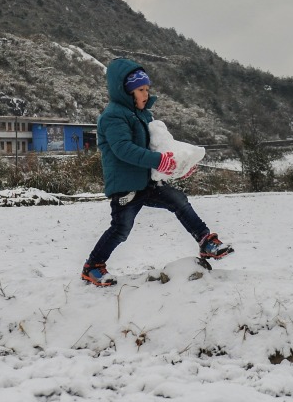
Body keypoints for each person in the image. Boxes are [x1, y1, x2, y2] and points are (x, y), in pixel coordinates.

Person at [81, 57, 234, 287]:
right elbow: (124, 150)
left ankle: (206, 241)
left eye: (147, 89)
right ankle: (92, 266)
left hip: (147, 182)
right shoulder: (113, 116)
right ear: (126, 90)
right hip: (126, 187)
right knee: (121, 229)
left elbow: (159, 147)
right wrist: (159, 161)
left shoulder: (142, 115)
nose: (146, 93)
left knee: (178, 200)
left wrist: (178, 167)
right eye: (141, 89)